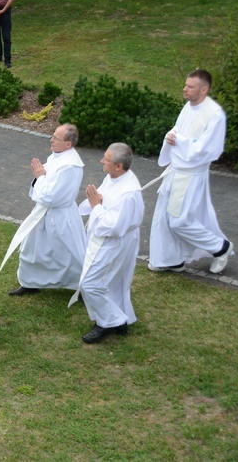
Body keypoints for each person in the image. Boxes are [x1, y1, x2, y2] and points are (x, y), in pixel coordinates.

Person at [148, 69, 233, 274]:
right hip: (176, 170)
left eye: (190, 86)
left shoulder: (214, 114)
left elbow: (208, 148)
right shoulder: (188, 106)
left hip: (191, 174)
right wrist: (171, 137)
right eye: (185, 85)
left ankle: (220, 247)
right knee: (165, 218)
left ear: (204, 89)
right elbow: (178, 131)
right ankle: (171, 260)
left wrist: (179, 141)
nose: (185, 89)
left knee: (179, 221)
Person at [1, 124, 86, 296]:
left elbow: (51, 197)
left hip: (60, 217)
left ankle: (83, 287)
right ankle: (30, 282)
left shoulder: (70, 166)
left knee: (68, 253)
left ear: (68, 144)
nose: (51, 140)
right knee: (31, 249)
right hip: (42, 213)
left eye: (56, 138)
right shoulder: (57, 156)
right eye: (52, 135)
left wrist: (40, 177)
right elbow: (45, 184)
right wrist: (39, 176)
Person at [71, 143, 144, 344]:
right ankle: (118, 319)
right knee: (109, 281)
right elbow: (102, 200)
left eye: (106, 159)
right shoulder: (113, 177)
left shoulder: (127, 193)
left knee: (91, 283)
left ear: (118, 166)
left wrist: (95, 206)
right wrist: (95, 202)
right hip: (108, 238)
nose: (102, 161)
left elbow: (113, 227)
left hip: (115, 241)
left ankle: (111, 321)